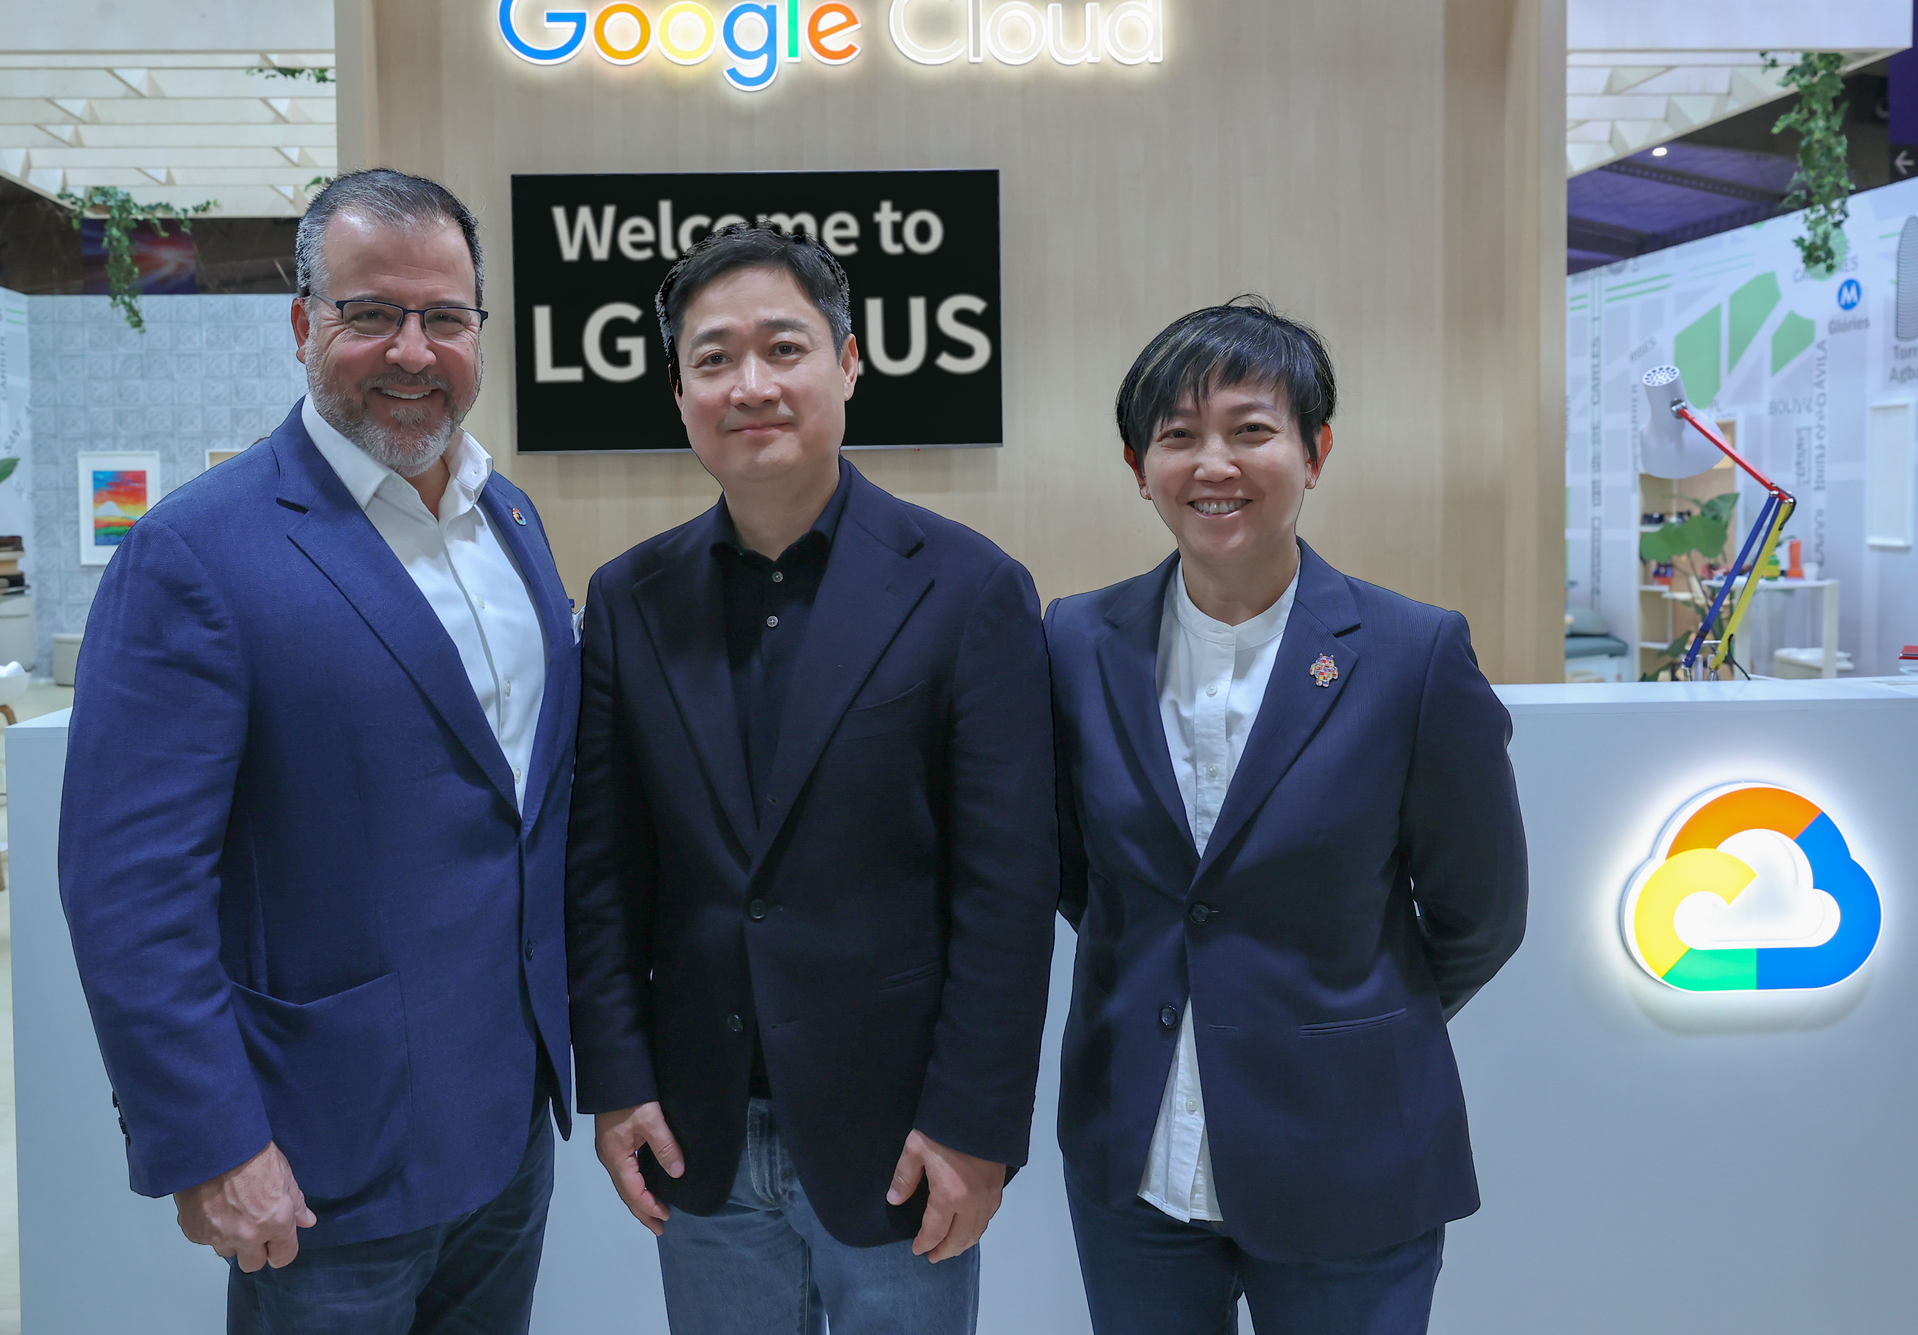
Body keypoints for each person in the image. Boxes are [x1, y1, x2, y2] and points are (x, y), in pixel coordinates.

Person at [58, 168, 579, 1333]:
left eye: (444, 317)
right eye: (369, 313)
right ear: (303, 324)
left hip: (504, 1131)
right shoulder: (196, 552)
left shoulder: (511, 519)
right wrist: (213, 1140)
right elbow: (130, 892)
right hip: (318, 1156)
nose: (412, 349)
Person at [566, 224, 1057, 1335]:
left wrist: (976, 1125)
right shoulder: (629, 602)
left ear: (846, 362)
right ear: (679, 392)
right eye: (713, 358)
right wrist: (617, 1083)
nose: (750, 384)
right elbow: (603, 874)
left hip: (898, 1140)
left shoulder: (968, 589)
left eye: (782, 348)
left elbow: (1005, 893)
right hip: (697, 1131)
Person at [1046, 300, 1528, 1335]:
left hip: (1348, 1154)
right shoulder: (1075, 641)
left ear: (1314, 451)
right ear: (1137, 465)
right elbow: (1073, 871)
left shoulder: (1410, 653)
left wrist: (1338, 1026)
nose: (1211, 461)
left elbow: (1478, 911)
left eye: (1249, 429)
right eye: (1177, 435)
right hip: (1134, 1161)